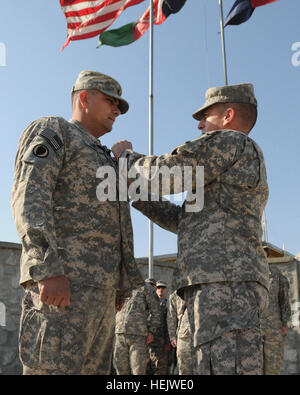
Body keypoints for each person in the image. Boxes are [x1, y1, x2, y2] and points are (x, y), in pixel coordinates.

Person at [112, 83, 270, 375]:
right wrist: (137, 190)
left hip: (223, 286)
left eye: (205, 116)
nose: (199, 125)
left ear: (228, 115)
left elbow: (172, 171)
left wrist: (127, 158)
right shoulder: (225, 169)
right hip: (210, 285)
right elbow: (183, 221)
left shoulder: (230, 141)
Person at [11, 70, 144, 375]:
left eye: (119, 107)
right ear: (84, 98)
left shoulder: (104, 157)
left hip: (102, 297)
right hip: (63, 288)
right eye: (111, 101)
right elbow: (30, 195)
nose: (116, 111)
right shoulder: (57, 131)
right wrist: (46, 267)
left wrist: (119, 287)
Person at [113, 281, 161, 375]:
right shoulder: (122, 287)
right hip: (120, 334)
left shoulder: (146, 288)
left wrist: (152, 331)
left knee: (138, 370)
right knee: (120, 369)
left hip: (138, 336)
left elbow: (156, 311)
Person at [261, 247, 291, 375]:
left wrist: (284, 323)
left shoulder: (276, 273)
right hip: (251, 328)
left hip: (273, 329)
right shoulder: (248, 273)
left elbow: (284, 300)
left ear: (267, 254)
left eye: (263, 252)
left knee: (272, 367)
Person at [148, 280, 171, 375]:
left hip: (161, 344)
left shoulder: (169, 306)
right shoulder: (148, 304)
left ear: (166, 290)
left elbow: (170, 325)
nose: (161, 290)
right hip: (147, 343)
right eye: (158, 288)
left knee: (160, 370)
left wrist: (168, 342)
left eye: (163, 288)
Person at [168, 290, 193, 375]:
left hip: (203, 336)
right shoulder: (175, 295)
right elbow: (171, 317)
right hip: (184, 338)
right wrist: (172, 337)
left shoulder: (201, 290)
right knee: (184, 369)